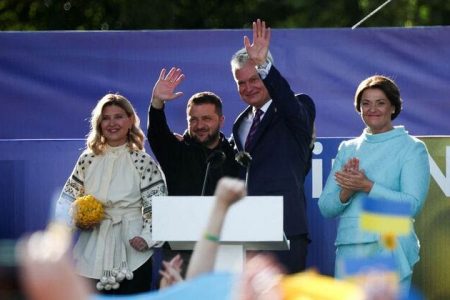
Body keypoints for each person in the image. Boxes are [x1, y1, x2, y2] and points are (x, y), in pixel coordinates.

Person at [318, 75, 430, 293]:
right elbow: (326, 207)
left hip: (390, 246)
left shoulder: (411, 147)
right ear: (358, 108)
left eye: (380, 103)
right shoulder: (347, 149)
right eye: (366, 103)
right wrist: (347, 192)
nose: (372, 109)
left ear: (393, 107)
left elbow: (411, 205)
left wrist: (368, 186)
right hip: (351, 247)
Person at [54, 93, 167, 295]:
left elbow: (158, 204)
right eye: (106, 118)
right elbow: (67, 198)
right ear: (99, 123)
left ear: (131, 120)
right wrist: (66, 227)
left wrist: (147, 237)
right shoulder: (87, 159)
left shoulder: (142, 161)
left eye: (118, 116)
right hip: (91, 248)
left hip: (133, 252)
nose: (112, 123)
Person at [230, 19, 316, 273]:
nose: (248, 88)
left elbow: (289, 104)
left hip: (285, 227)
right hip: (249, 230)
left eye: (255, 78)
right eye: (241, 83)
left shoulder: (297, 107)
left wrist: (264, 66)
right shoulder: (240, 124)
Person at [147, 67, 241, 196]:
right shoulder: (177, 152)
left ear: (221, 120)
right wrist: (157, 102)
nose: (200, 125)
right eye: (193, 120)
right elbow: (157, 134)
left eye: (206, 119)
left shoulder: (234, 154)